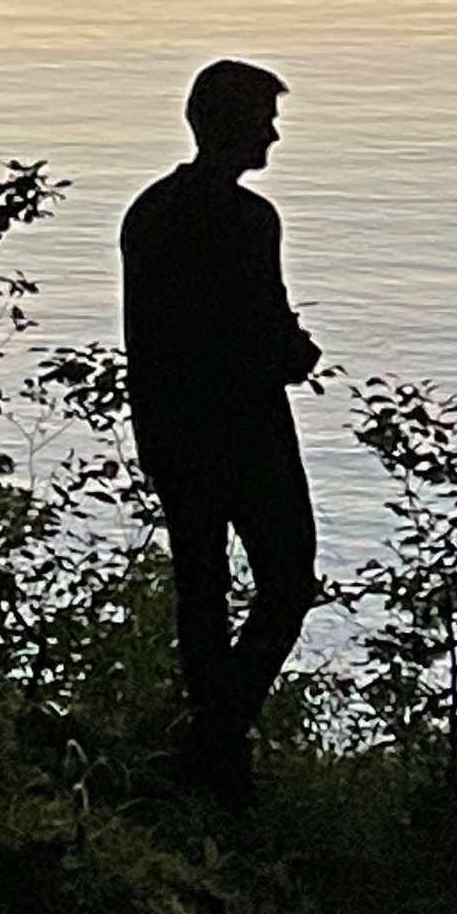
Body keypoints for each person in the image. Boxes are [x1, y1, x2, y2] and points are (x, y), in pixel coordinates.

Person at [120, 59, 322, 800]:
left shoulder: (148, 211)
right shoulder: (247, 220)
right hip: (247, 431)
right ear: (232, 124)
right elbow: (266, 336)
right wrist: (298, 352)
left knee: (200, 587)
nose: (272, 132)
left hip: (170, 431)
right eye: (265, 117)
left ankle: (209, 737)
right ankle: (217, 734)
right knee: (289, 578)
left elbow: (153, 333)